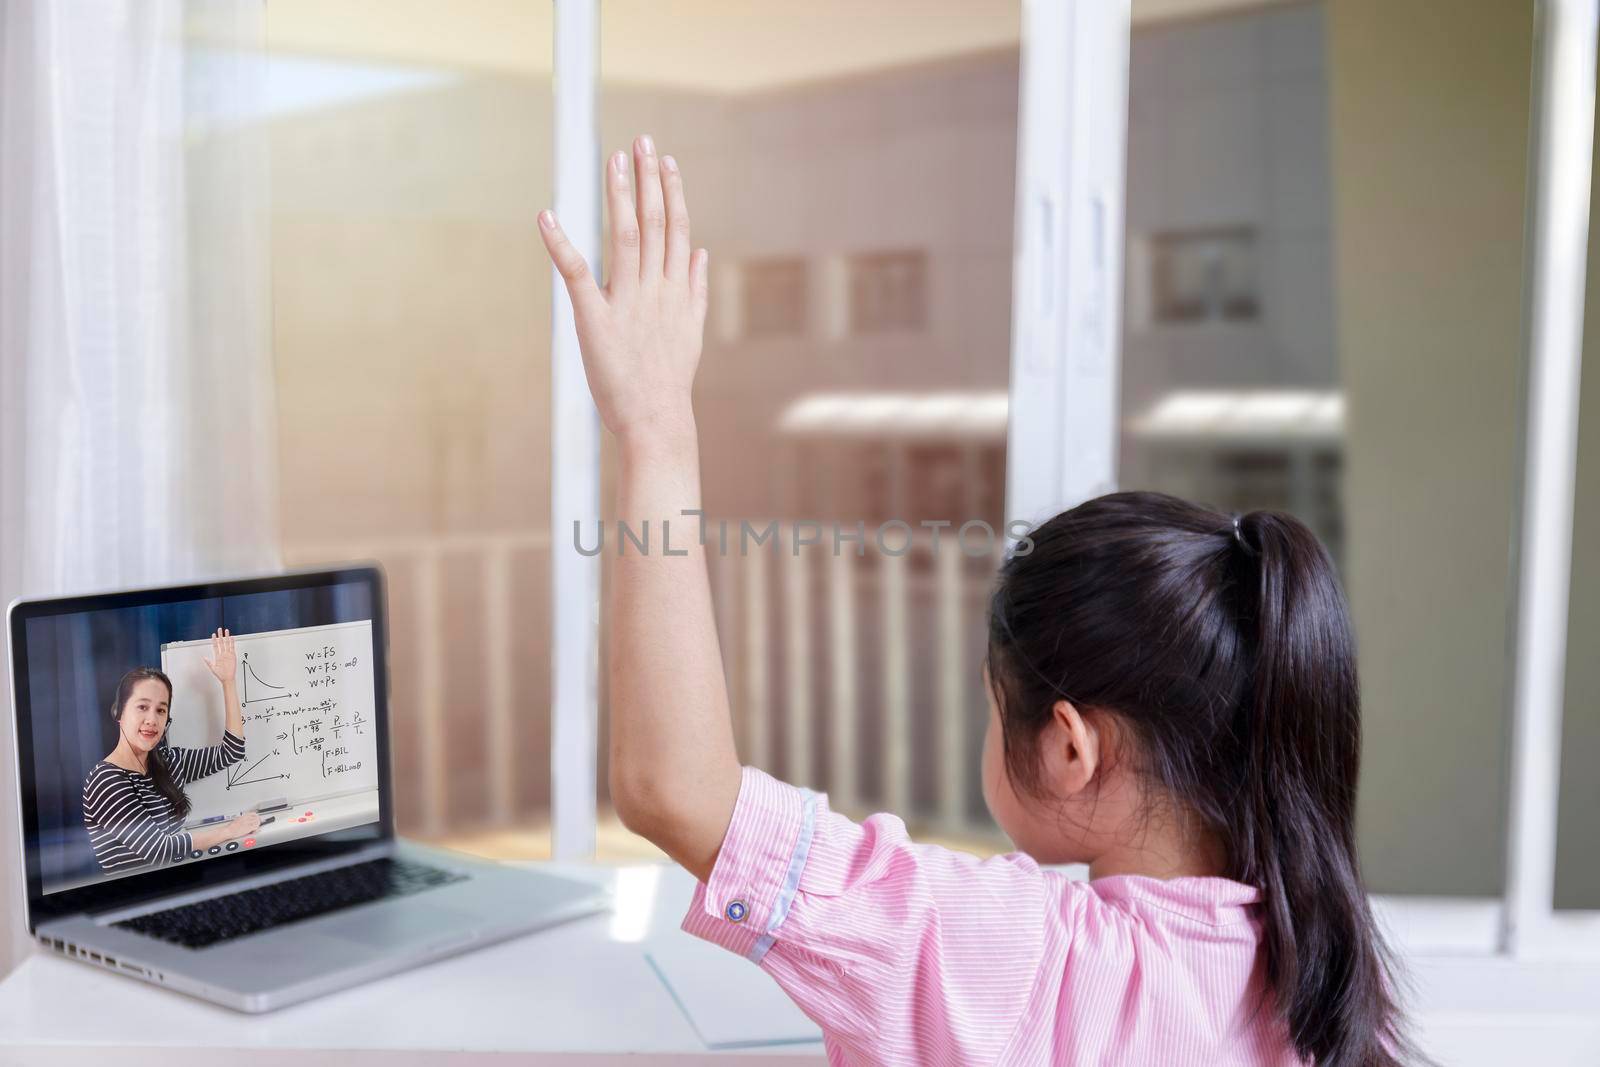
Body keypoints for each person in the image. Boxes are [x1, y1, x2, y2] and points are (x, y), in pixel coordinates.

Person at [537, 136, 1419, 1065]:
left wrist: (655, 430)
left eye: (999, 706)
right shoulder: (1325, 975)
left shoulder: (1026, 960)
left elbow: (674, 790)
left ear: (1072, 746)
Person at [82, 629, 260, 873]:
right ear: (119, 713)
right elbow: (160, 850)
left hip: (181, 884)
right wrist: (229, 831)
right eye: (142, 707)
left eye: (161, 710)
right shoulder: (105, 780)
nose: (152, 720)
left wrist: (228, 682)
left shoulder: (168, 761)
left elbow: (232, 752)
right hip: (137, 899)